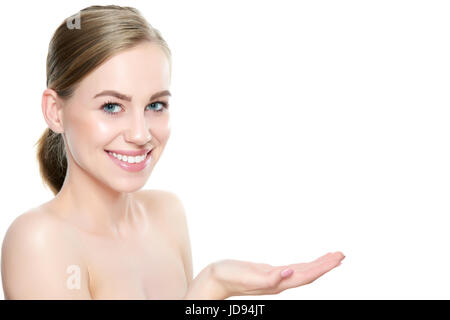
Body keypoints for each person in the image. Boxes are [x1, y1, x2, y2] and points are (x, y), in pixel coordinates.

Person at [1, 5, 345, 300]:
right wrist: (209, 287)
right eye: (111, 106)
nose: (140, 133)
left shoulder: (167, 214)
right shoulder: (39, 240)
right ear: (55, 112)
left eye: (155, 104)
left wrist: (214, 285)